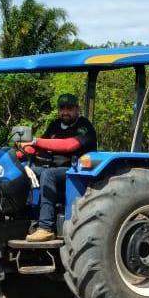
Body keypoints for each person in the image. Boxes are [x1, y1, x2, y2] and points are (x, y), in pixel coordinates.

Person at [18, 93, 97, 242]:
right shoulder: (54, 126)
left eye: (69, 108)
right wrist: (19, 153)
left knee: (48, 174)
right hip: (55, 169)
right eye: (62, 108)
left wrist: (35, 141)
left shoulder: (84, 127)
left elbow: (69, 145)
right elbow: (39, 147)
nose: (65, 112)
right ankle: (23, 219)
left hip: (77, 172)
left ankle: (46, 228)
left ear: (77, 109)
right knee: (23, 172)